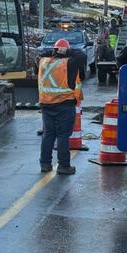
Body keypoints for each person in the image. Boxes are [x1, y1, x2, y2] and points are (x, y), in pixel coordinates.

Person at [38, 38, 86, 175]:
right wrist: (68, 51)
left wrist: (54, 50)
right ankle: (64, 166)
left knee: (48, 134)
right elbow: (82, 56)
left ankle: (45, 164)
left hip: (46, 104)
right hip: (64, 104)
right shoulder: (69, 63)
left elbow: (40, 54)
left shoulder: (43, 62)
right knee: (63, 135)